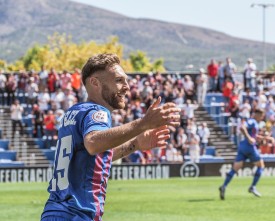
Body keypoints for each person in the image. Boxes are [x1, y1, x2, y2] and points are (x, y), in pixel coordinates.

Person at [41, 53, 181, 221]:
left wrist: (135, 144)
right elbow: (93, 143)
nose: (127, 87)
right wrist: (143, 123)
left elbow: (93, 155)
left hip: (55, 212)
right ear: (95, 83)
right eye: (119, 80)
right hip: (75, 214)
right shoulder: (97, 112)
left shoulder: (74, 112)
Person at [219, 109, 266, 200]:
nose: (262, 118)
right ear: (257, 114)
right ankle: (253, 186)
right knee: (261, 165)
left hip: (242, 146)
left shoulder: (254, 123)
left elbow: (253, 135)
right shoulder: (252, 121)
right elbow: (242, 127)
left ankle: (224, 186)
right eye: (261, 116)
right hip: (249, 147)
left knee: (235, 168)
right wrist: (249, 138)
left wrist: (264, 137)